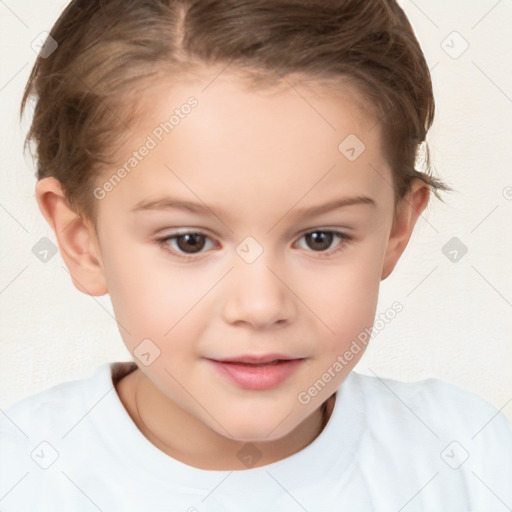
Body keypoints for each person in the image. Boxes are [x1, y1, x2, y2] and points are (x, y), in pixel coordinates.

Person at [1, 0, 511, 510]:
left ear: (397, 229)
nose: (261, 306)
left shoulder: (473, 461)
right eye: (190, 241)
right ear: (81, 241)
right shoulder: (20, 476)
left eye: (320, 238)